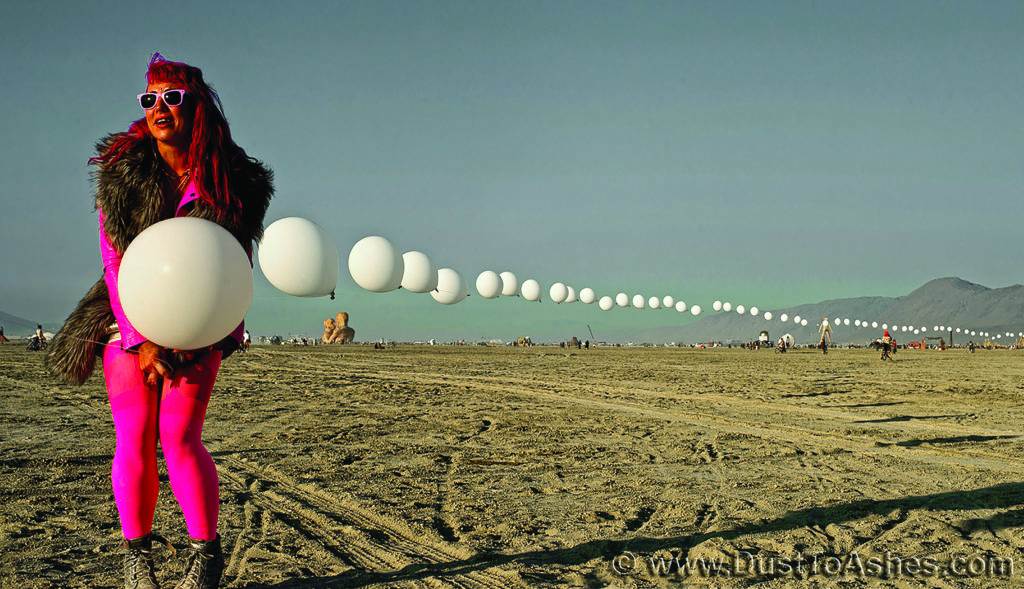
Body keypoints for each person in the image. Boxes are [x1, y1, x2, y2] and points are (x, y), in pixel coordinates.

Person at [45, 53, 272, 589]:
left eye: (172, 97)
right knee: (136, 434)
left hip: (203, 318)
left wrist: (205, 327)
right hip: (125, 314)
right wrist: (141, 337)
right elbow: (113, 258)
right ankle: (137, 557)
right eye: (149, 99)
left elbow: (234, 258)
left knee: (179, 434)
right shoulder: (122, 172)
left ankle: (205, 553)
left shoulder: (233, 179)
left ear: (198, 107)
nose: (159, 108)